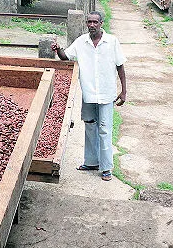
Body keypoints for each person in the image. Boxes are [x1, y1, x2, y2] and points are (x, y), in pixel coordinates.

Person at [50, 11, 127, 181]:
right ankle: (91, 162)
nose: (92, 25)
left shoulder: (112, 41)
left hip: (107, 95)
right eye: (89, 22)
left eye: (95, 22)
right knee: (90, 126)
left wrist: (124, 91)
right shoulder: (81, 42)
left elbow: (120, 66)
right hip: (89, 94)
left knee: (105, 130)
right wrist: (58, 49)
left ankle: (107, 168)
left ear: (101, 23)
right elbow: (66, 56)